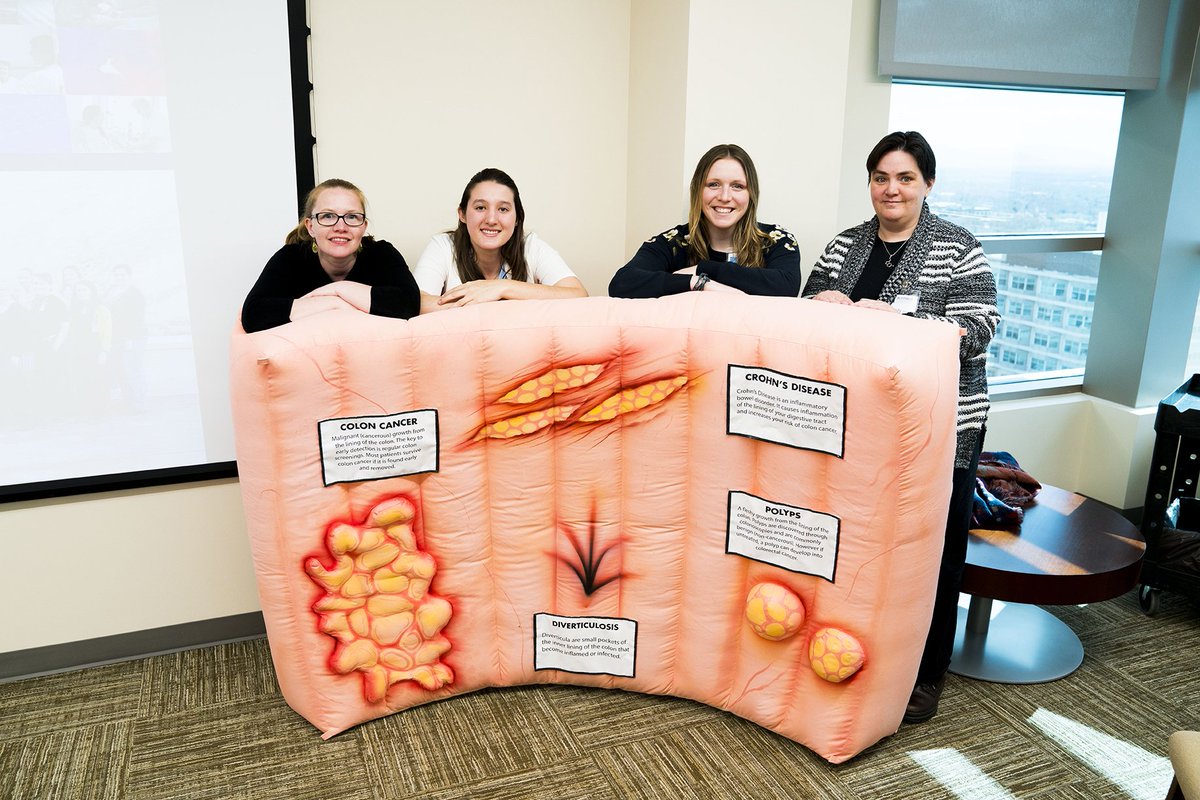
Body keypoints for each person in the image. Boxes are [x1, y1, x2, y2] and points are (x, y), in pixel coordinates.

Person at [803, 130, 999, 724]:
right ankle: (866, 653)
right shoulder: (844, 246)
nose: (892, 189)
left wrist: (901, 317)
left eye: (905, 178)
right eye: (881, 177)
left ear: (927, 184)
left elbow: (982, 326)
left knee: (936, 552)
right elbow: (803, 316)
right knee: (866, 545)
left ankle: (927, 671)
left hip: (942, 425)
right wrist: (824, 306)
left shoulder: (956, 248)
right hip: (859, 428)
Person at [608, 144, 800, 298]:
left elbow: (786, 287)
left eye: (737, 186)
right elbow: (622, 283)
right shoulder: (673, 242)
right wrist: (700, 284)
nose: (725, 196)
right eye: (713, 184)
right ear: (698, 190)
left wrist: (703, 268)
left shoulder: (776, 240)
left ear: (751, 195)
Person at [242, 178, 420, 333]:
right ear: (311, 227)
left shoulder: (381, 253)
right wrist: (334, 304)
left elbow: (409, 304)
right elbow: (253, 314)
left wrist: (338, 289)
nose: (340, 227)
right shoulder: (291, 257)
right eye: (327, 216)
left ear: (363, 227)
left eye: (351, 217)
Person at [412, 168, 587, 311]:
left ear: (517, 218)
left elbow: (578, 295)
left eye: (503, 209)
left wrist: (501, 288)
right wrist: (483, 301)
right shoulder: (443, 246)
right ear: (462, 214)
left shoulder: (531, 247)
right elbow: (417, 302)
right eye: (480, 207)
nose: (491, 219)